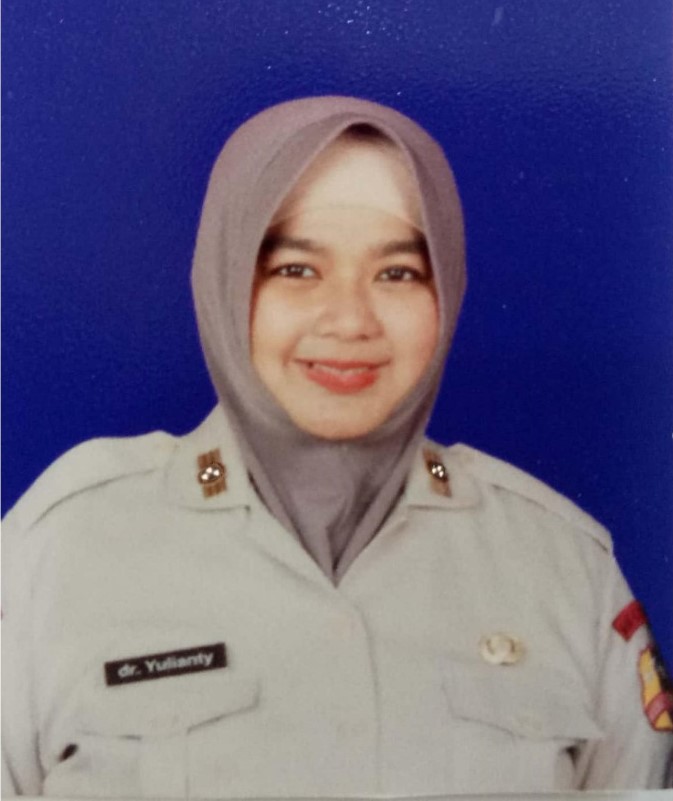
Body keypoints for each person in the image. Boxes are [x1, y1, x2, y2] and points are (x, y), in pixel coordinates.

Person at [2, 96, 672, 798]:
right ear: (225, 282)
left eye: (397, 273)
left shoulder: (563, 566)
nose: (350, 319)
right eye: (296, 269)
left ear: (446, 292)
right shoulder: (61, 549)